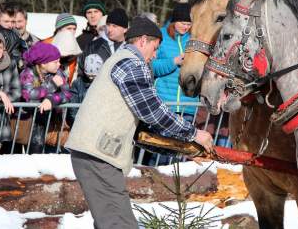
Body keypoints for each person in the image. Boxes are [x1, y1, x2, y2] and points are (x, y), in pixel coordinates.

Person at [65, 16, 213, 229]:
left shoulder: (124, 60)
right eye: (155, 48)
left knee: (109, 223)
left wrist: (186, 149)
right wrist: (194, 133)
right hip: (97, 157)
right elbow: (152, 111)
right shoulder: (130, 63)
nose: (155, 56)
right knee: (120, 225)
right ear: (143, 41)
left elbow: (143, 132)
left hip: (96, 156)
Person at [149, 3, 198, 165]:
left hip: (187, 104)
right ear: (174, 21)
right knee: (161, 152)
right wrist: (174, 61)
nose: (186, 27)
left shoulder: (195, 39)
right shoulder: (161, 37)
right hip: (164, 103)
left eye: (189, 23)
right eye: (182, 23)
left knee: (181, 152)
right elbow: (152, 67)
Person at [20, 42, 72, 153]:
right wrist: (52, 85)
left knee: (53, 153)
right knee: (35, 153)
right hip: (33, 121)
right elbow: (28, 93)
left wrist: (51, 100)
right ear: (43, 63)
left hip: (53, 120)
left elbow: (67, 93)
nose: (59, 64)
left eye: (59, 60)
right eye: (55, 61)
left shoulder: (58, 72)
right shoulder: (28, 73)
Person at [0, 31, 21, 154]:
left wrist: (4, 97)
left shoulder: (10, 64)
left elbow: (16, 91)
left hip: (0, 124)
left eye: (0, 47)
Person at [77, 8, 128, 76]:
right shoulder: (93, 46)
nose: (109, 29)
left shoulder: (130, 48)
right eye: (108, 25)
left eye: (114, 26)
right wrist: (89, 82)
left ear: (125, 29)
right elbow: (81, 74)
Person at [66, 54, 104, 127]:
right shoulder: (77, 83)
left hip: (97, 123)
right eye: (88, 75)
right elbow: (73, 106)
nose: (90, 78)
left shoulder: (104, 84)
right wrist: (77, 123)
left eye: (93, 76)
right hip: (80, 122)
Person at [44, 13, 81, 85]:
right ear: (59, 29)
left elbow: (73, 72)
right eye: (69, 28)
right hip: (47, 89)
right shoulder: (46, 45)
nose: (72, 32)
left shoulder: (74, 47)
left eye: (74, 29)